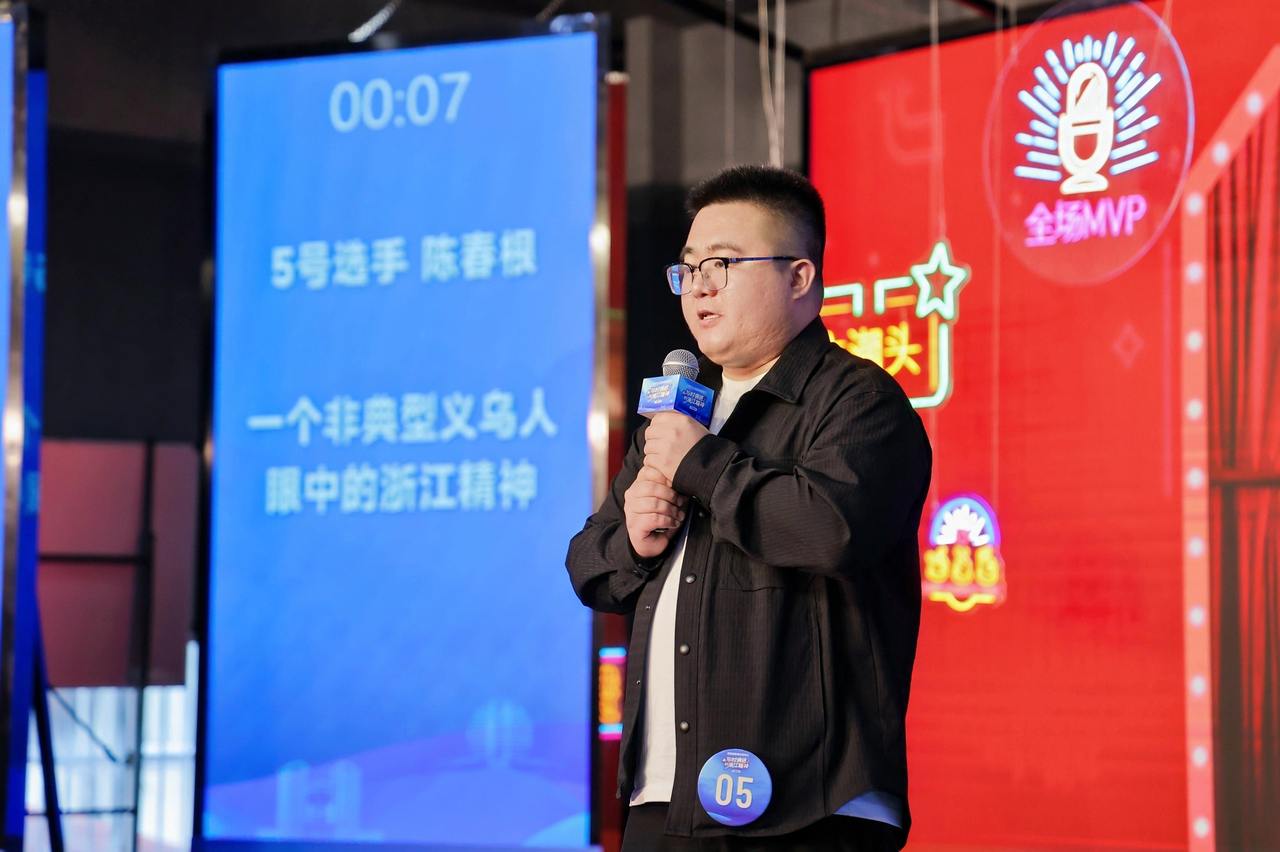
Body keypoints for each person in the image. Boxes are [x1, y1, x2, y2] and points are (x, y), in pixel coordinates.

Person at [565, 165, 932, 851]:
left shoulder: (860, 402)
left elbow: (831, 530)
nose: (699, 285)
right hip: (665, 801)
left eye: (724, 264)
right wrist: (635, 542)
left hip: (809, 806)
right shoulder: (677, 417)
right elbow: (589, 566)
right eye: (689, 268)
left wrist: (703, 466)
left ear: (799, 278)